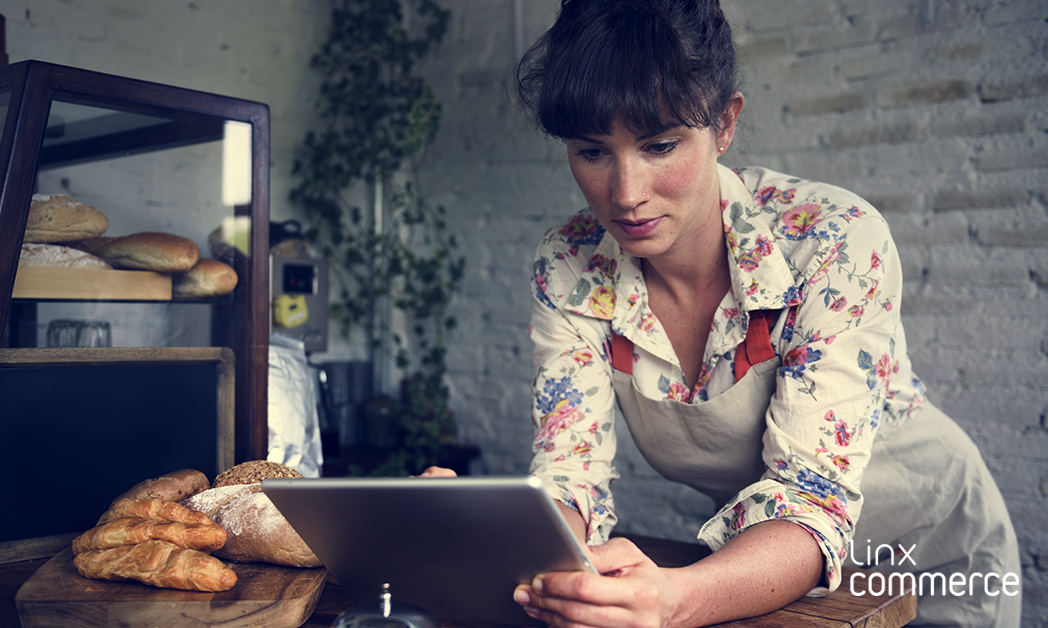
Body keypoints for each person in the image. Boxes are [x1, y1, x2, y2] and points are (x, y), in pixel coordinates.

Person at [422, 1, 1021, 626]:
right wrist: (499, 532)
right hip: (760, 570)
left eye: (660, 145)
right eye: (592, 152)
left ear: (725, 124)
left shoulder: (833, 242)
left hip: (932, 552)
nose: (626, 194)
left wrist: (673, 597)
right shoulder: (570, 265)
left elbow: (807, 499)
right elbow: (571, 473)